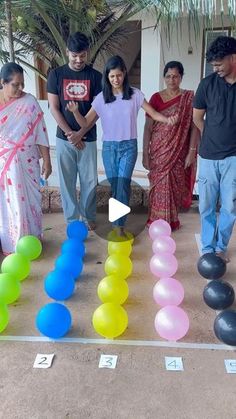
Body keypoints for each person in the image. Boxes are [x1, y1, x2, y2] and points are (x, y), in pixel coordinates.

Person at [66, 55, 177, 236]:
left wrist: (168, 120)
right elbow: (85, 123)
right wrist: (76, 111)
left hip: (129, 147)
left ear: (124, 73)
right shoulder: (102, 98)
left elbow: (153, 113)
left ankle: (119, 227)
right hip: (109, 149)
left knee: (122, 184)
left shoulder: (134, 95)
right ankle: (118, 221)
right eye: (112, 76)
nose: (116, 80)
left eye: (119, 75)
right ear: (107, 77)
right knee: (117, 186)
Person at [47, 32, 102, 230]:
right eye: (74, 55)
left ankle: (88, 217)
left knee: (89, 180)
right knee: (67, 182)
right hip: (64, 139)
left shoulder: (96, 77)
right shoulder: (56, 75)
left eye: (83, 55)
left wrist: (81, 133)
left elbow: (98, 111)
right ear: (67, 52)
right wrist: (71, 133)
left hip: (88, 138)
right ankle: (71, 219)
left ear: (87, 53)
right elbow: (54, 107)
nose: (79, 60)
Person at [0, 62, 52, 255]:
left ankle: (31, 239)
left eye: (22, 84)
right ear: (2, 83)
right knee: (9, 205)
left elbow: (41, 132)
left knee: (30, 202)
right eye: (15, 84)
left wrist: (47, 160)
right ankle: (12, 244)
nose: (20, 89)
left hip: (28, 161)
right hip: (5, 165)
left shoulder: (29, 102)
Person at [193, 36, 236, 262]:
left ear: (232, 57)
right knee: (207, 206)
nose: (216, 68)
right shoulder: (207, 84)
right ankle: (208, 248)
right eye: (213, 65)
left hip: (234, 158)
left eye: (219, 64)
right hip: (208, 156)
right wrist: (212, 137)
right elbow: (197, 118)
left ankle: (221, 247)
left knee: (229, 206)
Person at [143, 61, 199, 230]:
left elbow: (194, 126)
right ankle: (156, 221)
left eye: (175, 76)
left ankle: (171, 221)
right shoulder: (155, 98)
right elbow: (148, 127)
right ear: (164, 78)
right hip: (159, 150)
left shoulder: (189, 98)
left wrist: (192, 151)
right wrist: (145, 152)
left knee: (175, 185)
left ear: (181, 77)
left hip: (179, 151)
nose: (171, 80)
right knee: (159, 183)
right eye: (168, 76)